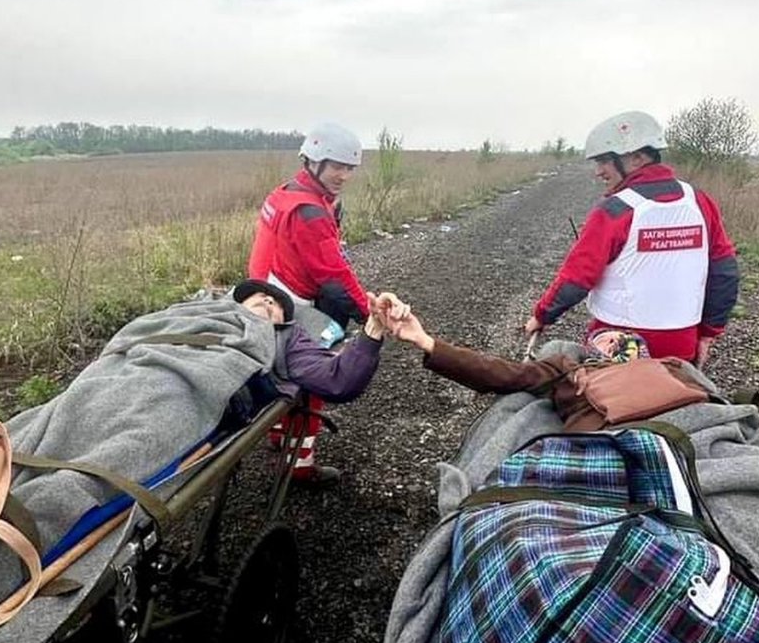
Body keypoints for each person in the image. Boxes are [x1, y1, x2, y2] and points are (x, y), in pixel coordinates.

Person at [525, 110, 739, 366]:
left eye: (605, 161)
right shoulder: (698, 201)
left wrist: (541, 316)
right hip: (681, 347)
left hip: (617, 348)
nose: (599, 171)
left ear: (637, 158)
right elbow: (725, 272)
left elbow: (577, 279)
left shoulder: (615, 210)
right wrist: (707, 335)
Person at [372, 294, 706, 432]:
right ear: (592, 351)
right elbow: (498, 373)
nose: (615, 337)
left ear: (642, 353)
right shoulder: (569, 368)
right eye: (605, 337)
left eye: (622, 338)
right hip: (613, 438)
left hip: (684, 427)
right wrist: (425, 341)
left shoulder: (674, 368)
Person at [247, 123, 371, 480]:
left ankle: (276, 433)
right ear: (314, 162)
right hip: (289, 302)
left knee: (277, 370)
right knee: (317, 371)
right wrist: (368, 314)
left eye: (349, 168)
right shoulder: (310, 212)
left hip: (262, 292)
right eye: (337, 166)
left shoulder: (283, 193)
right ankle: (300, 465)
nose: (344, 175)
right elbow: (334, 276)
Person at [232, 278, 386, 484]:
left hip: (205, 395)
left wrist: (372, 328)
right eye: (260, 297)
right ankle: (285, 444)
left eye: (273, 304)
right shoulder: (209, 311)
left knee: (303, 387)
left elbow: (338, 380)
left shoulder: (284, 340)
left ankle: (297, 461)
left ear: (282, 323)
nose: (268, 300)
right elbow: (336, 271)